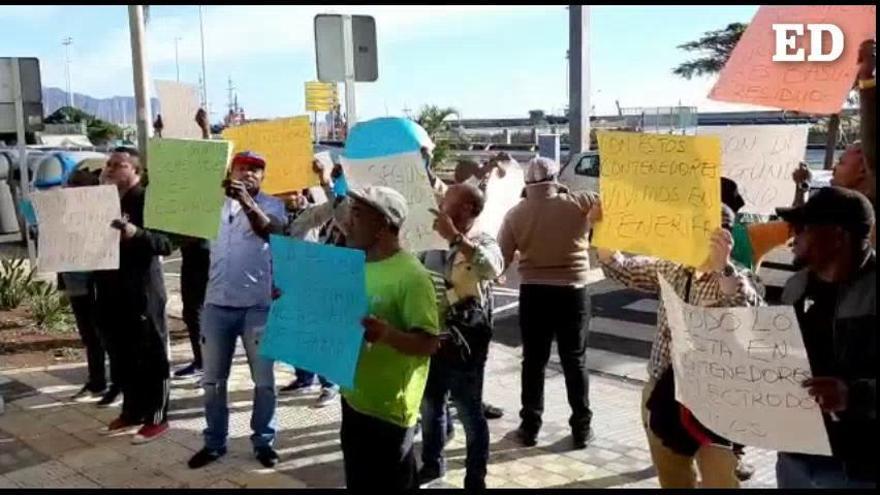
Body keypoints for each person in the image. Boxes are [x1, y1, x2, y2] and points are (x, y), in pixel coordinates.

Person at [595, 203, 762, 488]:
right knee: (672, 477)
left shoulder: (738, 277)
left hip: (715, 401)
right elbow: (620, 269)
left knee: (720, 481)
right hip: (664, 392)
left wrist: (724, 269)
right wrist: (604, 228)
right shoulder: (671, 268)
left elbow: (747, 308)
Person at [187, 151, 286, 470]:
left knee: (264, 381)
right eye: (243, 168)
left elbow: (270, 231)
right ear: (230, 170)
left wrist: (246, 201)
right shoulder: (211, 203)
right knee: (213, 381)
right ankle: (215, 442)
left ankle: (263, 442)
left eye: (257, 169)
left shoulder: (272, 205)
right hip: (216, 306)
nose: (249, 173)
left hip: (258, 307)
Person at [774, 187, 876, 488]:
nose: (793, 236)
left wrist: (852, 396)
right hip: (795, 457)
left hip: (861, 467)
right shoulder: (795, 286)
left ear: (837, 236)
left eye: (804, 228)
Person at [340, 186, 440, 490]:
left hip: (389, 412)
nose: (348, 221)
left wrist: (387, 335)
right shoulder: (353, 264)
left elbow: (429, 343)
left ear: (383, 225)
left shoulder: (412, 276)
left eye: (357, 214)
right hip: (353, 398)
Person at [497, 157, 597, 449]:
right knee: (574, 361)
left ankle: (529, 428)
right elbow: (608, 207)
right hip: (573, 291)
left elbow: (501, 257)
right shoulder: (579, 203)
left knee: (534, 362)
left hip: (534, 294)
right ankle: (582, 428)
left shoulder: (515, 214)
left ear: (527, 184)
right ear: (556, 180)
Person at [417, 183, 504, 489]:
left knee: (469, 413)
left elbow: (493, 267)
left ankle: (475, 478)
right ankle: (431, 465)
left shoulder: (481, 239)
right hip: (431, 337)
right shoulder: (429, 239)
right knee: (431, 407)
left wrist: (455, 238)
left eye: (448, 200)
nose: (441, 203)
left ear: (467, 208)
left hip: (464, 344)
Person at [97, 147, 174, 444]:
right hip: (111, 290)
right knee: (122, 354)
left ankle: (157, 417)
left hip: (143, 291)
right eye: (109, 164)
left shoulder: (147, 199)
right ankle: (131, 411)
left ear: (136, 172)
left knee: (152, 355)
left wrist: (135, 233)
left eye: (120, 165)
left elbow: (166, 244)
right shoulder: (103, 202)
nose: (111, 169)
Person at [172, 108, 214, 379]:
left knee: (205, 310)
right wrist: (162, 134)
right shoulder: (180, 186)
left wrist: (205, 130)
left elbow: (212, 163)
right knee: (191, 311)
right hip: (189, 253)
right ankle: (201, 361)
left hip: (206, 251)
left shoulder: (207, 184)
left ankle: (209, 363)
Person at [62, 169, 110, 401]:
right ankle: (96, 381)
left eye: (77, 185)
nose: (72, 189)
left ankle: (108, 382)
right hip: (75, 282)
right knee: (89, 336)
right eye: (71, 184)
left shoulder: (101, 212)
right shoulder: (63, 213)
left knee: (102, 334)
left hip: (96, 282)